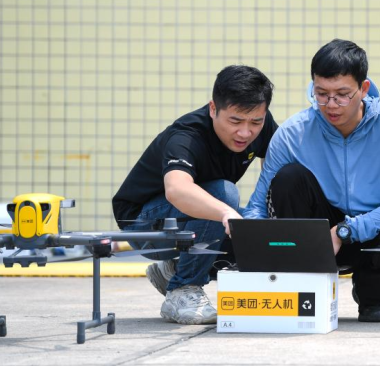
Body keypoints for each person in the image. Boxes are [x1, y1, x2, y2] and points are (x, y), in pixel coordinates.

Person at [243, 39, 380, 322]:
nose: (331, 105)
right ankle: (306, 290)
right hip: (315, 236)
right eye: (321, 94)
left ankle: (371, 296)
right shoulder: (293, 132)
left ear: (363, 89)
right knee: (289, 178)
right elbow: (259, 204)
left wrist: (346, 230)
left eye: (342, 94)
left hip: (372, 232)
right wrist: (250, 235)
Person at [112, 65, 277, 325]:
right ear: (213, 109)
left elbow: (275, 173)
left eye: (256, 122)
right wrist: (225, 212)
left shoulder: (262, 126)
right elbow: (177, 190)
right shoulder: (187, 136)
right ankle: (182, 289)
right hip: (144, 226)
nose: (246, 132)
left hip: (187, 223)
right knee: (224, 194)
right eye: (235, 121)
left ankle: (174, 270)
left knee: (257, 230)